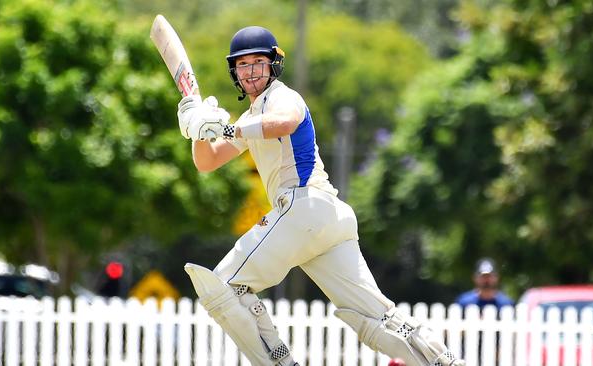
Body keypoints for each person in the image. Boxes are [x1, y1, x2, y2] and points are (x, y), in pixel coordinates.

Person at [176, 25, 465, 366]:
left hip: (303, 207)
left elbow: (285, 122)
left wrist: (224, 127)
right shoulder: (252, 117)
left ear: (273, 65)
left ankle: (280, 362)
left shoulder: (282, 97)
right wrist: (195, 123)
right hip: (329, 221)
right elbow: (208, 161)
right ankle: (442, 360)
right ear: (234, 71)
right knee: (374, 318)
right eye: (243, 64)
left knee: (222, 287)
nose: (251, 70)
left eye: (258, 62)